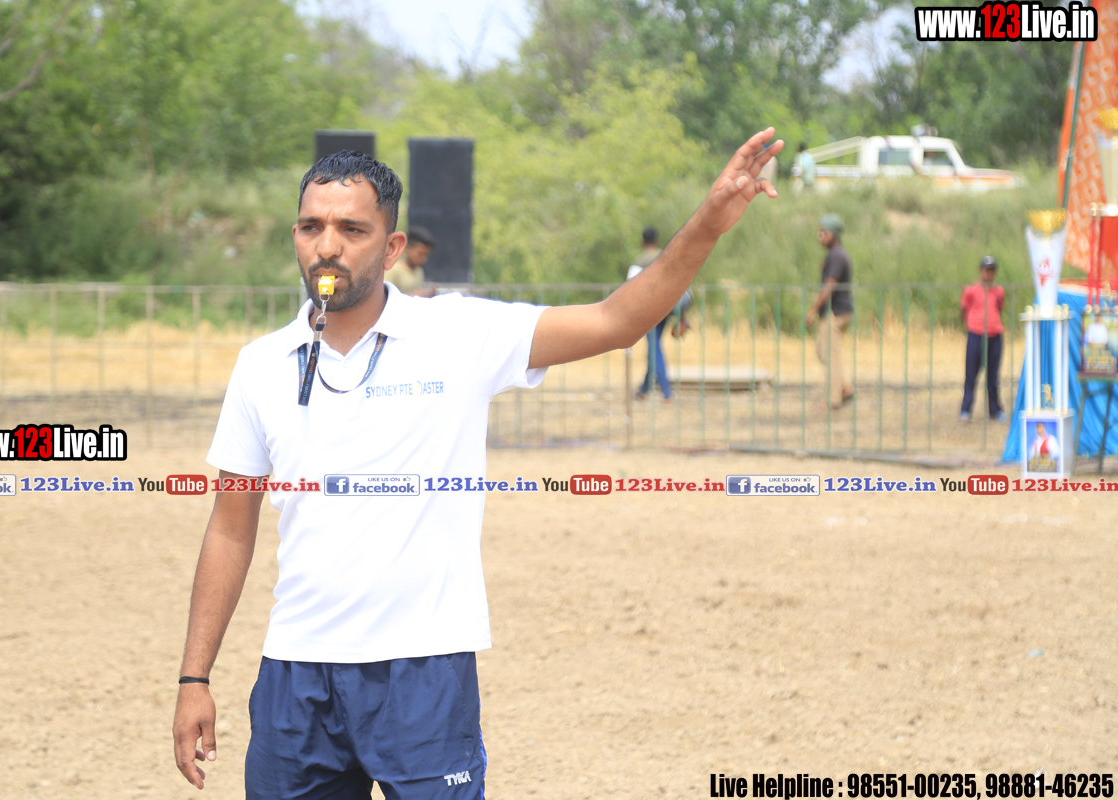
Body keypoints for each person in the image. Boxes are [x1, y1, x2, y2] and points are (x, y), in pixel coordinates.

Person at [171, 132, 784, 797]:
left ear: (392, 247)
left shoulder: (457, 334)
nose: (328, 246)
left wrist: (708, 223)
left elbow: (617, 320)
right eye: (312, 227)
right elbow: (230, 528)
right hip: (295, 675)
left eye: (352, 229)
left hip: (424, 671)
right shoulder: (260, 365)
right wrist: (193, 677)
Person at [805, 213, 854, 409]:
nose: (821, 236)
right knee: (822, 351)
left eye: (824, 232)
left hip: (835, 313)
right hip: (837, 312)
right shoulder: (835, 254)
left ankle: (833, 400)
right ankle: (845, 386)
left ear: (834, 234)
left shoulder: (837, 256)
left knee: (830, 356)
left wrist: (813, 310)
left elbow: (829, 287)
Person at [627, 226, 672, 402]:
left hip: (649, 310)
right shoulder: (667, 256)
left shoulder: (640, 261)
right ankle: (644, 390)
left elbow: (630, 286)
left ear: (642, 241)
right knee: (654, 347)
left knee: (654, 348)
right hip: (668, 308)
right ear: (657, 240)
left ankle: (667, 393)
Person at [959, 255, 1006, 422]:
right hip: (976, 335)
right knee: (971, 374)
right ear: (980, 271)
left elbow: (999, 308)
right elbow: (963, 310)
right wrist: (972, 325)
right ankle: (966, 409)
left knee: (993, 376)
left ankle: (994, 410)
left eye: (992, 270)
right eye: (987, 270)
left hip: (995, 336)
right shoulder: (970, 290)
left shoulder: (999, 291)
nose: (989, 273)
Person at [383, 225, 437, 296]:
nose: (424, 259)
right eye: (420, 254)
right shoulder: (394, 270)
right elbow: (384, 297)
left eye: (426, 255)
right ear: (408, 249)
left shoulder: (419, 270)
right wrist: (413, 296)